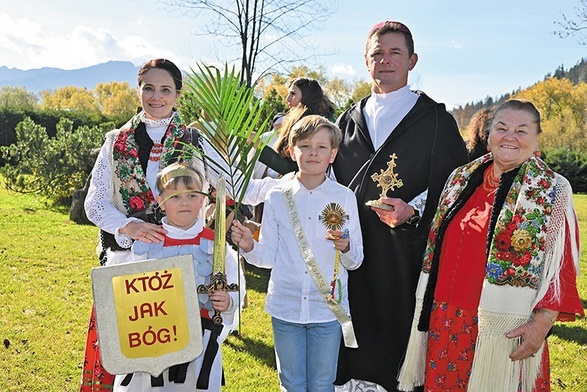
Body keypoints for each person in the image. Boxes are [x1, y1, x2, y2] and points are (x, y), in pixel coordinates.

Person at [397, 99, 584, 392]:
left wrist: (542, 323)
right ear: (489, 136)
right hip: (446, 321)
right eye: (501, 128)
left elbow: (563, 267)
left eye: (521, 130)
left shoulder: (551, 189)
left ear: (536, 140)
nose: (510, 136)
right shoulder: (460, 179)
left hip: (506, 329)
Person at [331, 21, 469, 392]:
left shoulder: (436, 120)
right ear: (366, 60)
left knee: (396, 343)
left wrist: (415, 209)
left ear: (412, 60)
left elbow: (457, 184)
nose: (386, 60)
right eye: (377, 52)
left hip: (404, 255)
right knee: (351, 339)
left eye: (395, 52)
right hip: (351, 253)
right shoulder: (346, 122)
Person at [81, 58, 205, 391]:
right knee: (128, 356)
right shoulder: (115, 141)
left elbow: (212, 195)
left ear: (178, 94)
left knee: (171, 359)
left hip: (178, 262)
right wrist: (128, 226)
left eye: (165, 89)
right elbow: (93, 203)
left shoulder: (193, 142)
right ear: (139, 90)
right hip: (128, 261)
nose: (156, 96)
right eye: (148, 88)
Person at [231, 115, 364, 391]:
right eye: (305, 145)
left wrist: (346, 247)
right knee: (291, 382)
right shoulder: (277, 195)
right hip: (286, 305)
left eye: (321, 147)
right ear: (292, 151)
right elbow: (267, 256)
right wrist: (248, 245)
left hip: (327, 308)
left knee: (321, 383)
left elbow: (356, 260)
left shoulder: (344, 197)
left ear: (333, 154)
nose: (313, 152)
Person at [112, 162, 243, 391]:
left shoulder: (215, 245)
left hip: (200, 340)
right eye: (175, 197)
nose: (184, 202)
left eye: (192, 195)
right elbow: (129, 295)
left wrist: (228, 302)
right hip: (154, 339)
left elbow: (233, 287)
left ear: (203, 200)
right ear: (161, 202)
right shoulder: (147, 242)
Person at [257, 77, 336, 176]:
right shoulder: (304, 120)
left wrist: (260, 146)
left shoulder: (315, 126)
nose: (287, 99)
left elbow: (294, 169)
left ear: (307, 96)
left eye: (293, 94)